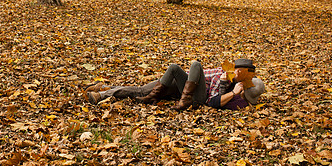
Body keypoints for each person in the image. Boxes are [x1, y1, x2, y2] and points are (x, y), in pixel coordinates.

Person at [85, 59, 265, 111]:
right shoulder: (227, 73)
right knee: (142, 89)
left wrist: (232, 90)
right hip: (184, 84)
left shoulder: (238, 100)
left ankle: (184, 100)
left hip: (196, 98)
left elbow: (214, 101)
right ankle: (103, 92)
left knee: (196, 64)